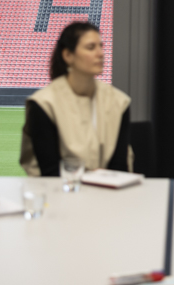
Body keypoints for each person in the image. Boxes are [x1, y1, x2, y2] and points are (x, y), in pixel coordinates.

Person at [20, 22, 133, 176]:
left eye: (101, 46)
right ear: (68, 55)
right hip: (58, 194)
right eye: (91, 47)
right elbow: (50, 171)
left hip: (108, 194)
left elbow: (119, 168)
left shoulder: (119, 102)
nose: (100, 53)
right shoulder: (44, 104)